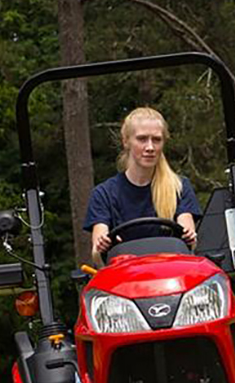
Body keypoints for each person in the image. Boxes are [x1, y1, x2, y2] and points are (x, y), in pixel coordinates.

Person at [83, 107, 200, 266]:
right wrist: (102, 245)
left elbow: (189, 239)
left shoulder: (179, 187)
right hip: (123, 279)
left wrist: (189, 236)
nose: (150, 147)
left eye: (156, 140)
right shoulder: (103, 194)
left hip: (172, 274)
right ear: (126, 141)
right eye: (142, 139)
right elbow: (97, 252)